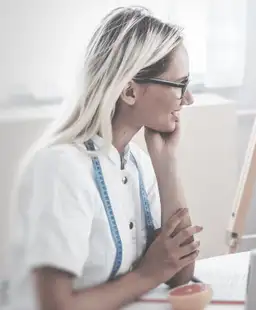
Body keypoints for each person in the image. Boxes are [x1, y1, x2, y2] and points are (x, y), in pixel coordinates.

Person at [3, 6, 202, 310]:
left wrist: (168, 165)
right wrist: (147, 274)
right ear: (130, 91)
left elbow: (180, 275)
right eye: (180, 85)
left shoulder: (137, 162)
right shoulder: (61, 168)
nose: (188, 98)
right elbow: (54, 306)